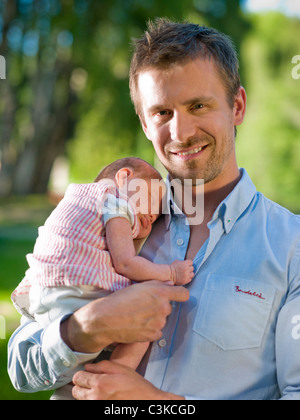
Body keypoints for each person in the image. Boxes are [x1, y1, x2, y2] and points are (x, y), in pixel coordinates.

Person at [8, 18, 300, 400]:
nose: (181, 133)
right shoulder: (99, 220)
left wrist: (157, 404)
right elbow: (21, 366)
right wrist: (84, 328)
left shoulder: (292, 247)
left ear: (237, 106)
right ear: (145, 123)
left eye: (198, 105)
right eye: (162, 112)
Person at [10, 156, 193, 399]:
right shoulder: (115, 200)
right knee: (145, 326)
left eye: (156, 217)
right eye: (151, 204)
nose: (150, 219)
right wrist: (171, 272)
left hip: (46, 296)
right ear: (124, 177)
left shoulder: (77, 201)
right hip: (76, 292)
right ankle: (113, 378)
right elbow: (126, 263)